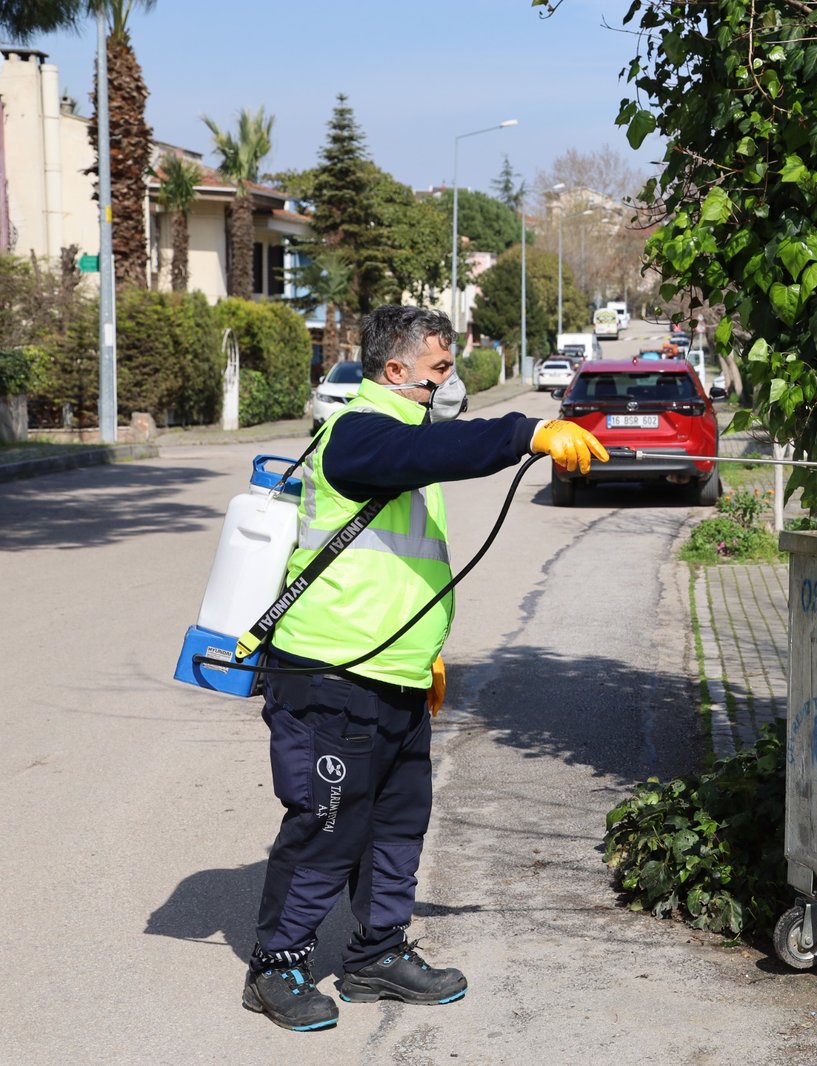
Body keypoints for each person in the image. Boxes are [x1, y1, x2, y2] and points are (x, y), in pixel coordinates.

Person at [242, 305, 607, 1031]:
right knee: (327, 826)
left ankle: (377, 955)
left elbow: (397, 564)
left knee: (397, 825)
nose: (448, 381)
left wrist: (424, 652)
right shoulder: (358, 433)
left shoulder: (397, 437)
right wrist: (525, 432)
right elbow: (435, 453)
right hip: (329, 672)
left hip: (394, 672)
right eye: (439, 369)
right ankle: (276, 967)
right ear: (395, 369)